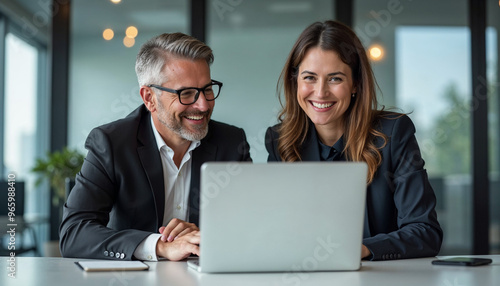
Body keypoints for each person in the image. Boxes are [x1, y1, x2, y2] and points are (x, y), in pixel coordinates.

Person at [60, 33, 252, 261]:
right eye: (187, 93)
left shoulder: (231, 141)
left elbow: (251, 224)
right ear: (149, 98)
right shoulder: (111, 143)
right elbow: (74, 233)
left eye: (207, 89)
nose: (203, 105)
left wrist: (207, 237)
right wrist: (159, 246)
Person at [265, 20, 442, 260]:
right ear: (295, 80)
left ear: (355, 84)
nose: (320, 92)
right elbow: (274, 232)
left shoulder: (394, 134)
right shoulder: (280, 141)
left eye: (335, 79)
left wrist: (360, 249)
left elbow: (425, 232)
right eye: (309, 77)